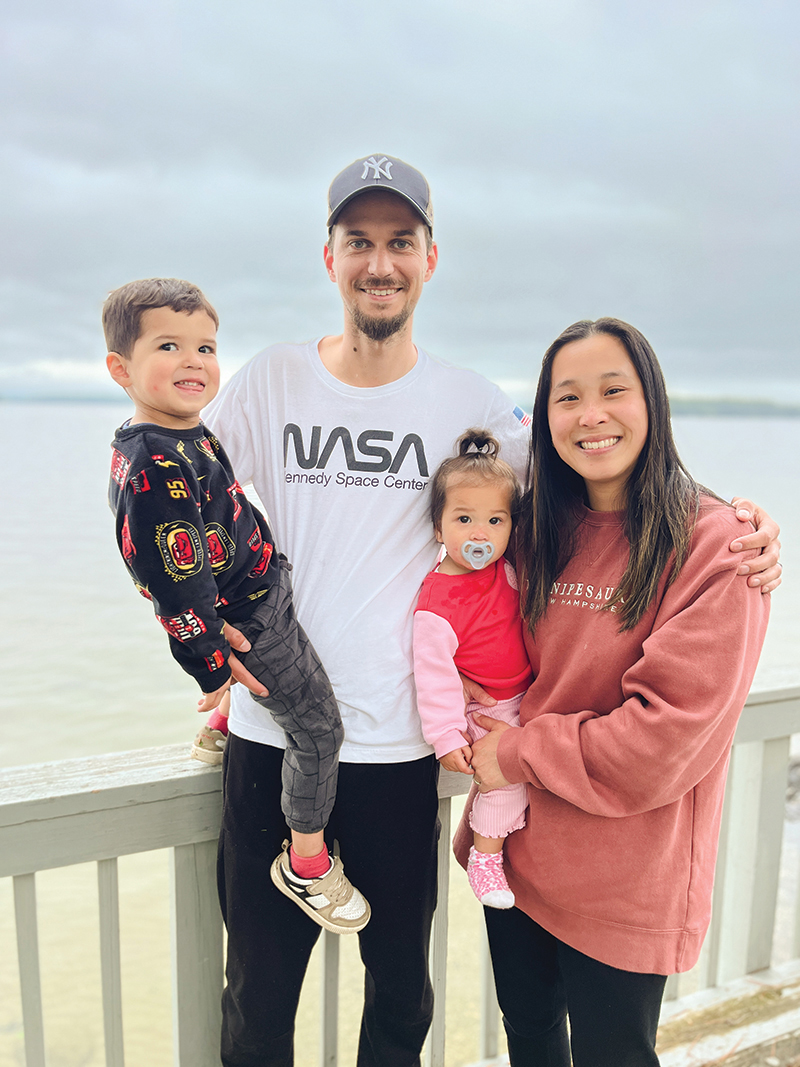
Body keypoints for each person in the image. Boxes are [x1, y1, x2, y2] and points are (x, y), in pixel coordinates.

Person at [202, 156, 782, 1067]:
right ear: (329, 258)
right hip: (271, 740)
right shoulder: (269, 381)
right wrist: (209, 650)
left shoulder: (472, 403)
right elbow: (187, 515)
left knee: (400, 999)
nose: (380, 262)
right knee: (258, 1003)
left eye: (401, 242)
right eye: (360, 242)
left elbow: (594, 457)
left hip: (404, 757)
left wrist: (737, 517)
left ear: (432, 258)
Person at [458, 317, 771, 1067]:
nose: (590, 415)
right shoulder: (532, 527)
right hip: (519, 857)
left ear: (651, 401)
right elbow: (437, 589)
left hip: (627, 880)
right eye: (567, 397)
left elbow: (660, 743)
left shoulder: (716, 545)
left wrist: (515, 753)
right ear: (544, 417)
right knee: (529, 1043)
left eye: (611, 390)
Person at [103, 277, 370, 936]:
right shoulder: (153, 463)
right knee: (319, 731)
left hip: (258, 589)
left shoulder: (182, 430)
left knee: (285, 690)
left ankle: (223, 724)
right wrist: (211, 662)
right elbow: (171, 573)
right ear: (121, 368)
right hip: (249, 619)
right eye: (169, 345)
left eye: (206, 346)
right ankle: (307, 861)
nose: (195, 361)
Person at [412, 429, 531, 909]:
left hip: (527, 694)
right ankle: (485, 859)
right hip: (487, 708)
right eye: (464, 519)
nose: (480, 533)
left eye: (494, 520)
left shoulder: (509, 568)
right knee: (506, 779)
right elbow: (435, 678)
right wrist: (445, 738)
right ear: (438, 528)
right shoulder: (436, 601)